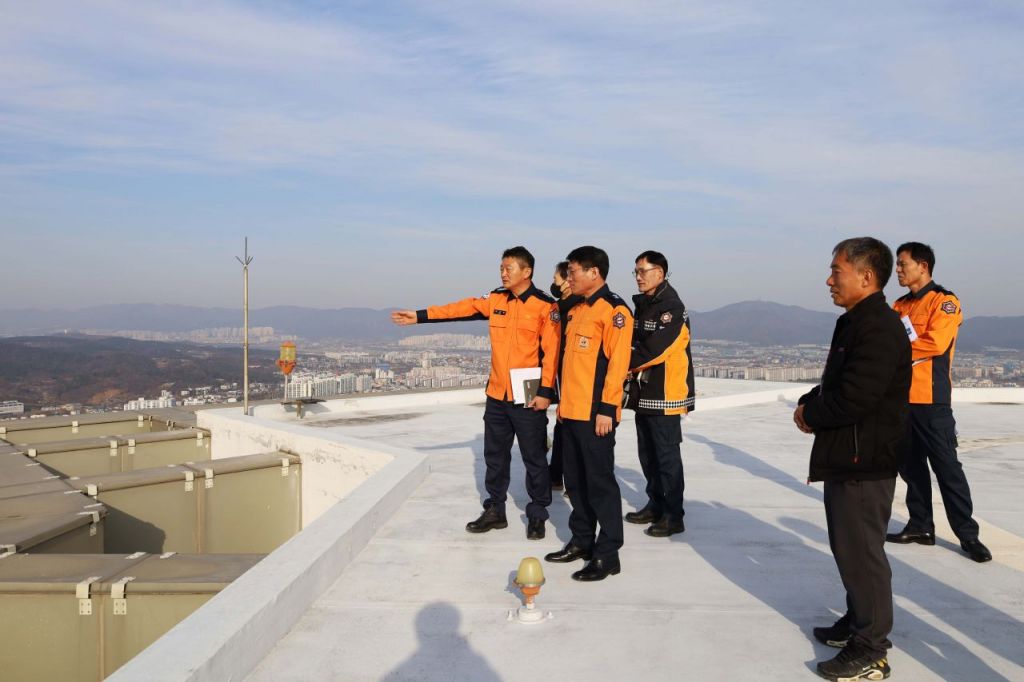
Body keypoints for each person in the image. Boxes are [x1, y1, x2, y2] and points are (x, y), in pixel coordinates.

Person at [793, 237, 910, 682]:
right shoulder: (856, 322)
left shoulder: (879, 326)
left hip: (866, 460)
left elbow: (857, 396)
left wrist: (811, 415)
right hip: (849, 455)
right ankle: (857, 619)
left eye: (836, 271)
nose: (829, 280)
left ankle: (872, 648)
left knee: (862, 555)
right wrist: (811, 400)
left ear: (866, 276)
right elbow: (839, 382)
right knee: (849, 549)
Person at [391, 246, 560, 540]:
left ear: (527, 271)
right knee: (495, 456)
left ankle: (537, 514)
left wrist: (545, 392)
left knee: (534, 457)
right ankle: (495, 510)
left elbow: (552, 353)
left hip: (528, 395)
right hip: (497, 394)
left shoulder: (546, 306)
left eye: (508, 268)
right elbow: (461, 308)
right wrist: (419, 316)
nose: (503, 273)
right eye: (501, 268)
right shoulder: (496, 299)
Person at [886, 242, 992, 563]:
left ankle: (968, 535)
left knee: (947, 468)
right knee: (911, 467)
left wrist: (894, 348)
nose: (898, 270)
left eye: (903, 264)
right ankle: (921, 526)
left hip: (932, 401)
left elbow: (936, 342)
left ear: (923, 266)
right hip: (901, 400)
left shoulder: (944, 302)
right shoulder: (900, 305)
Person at [544, 246, 633, 582]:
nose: (568, 278)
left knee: (599, 485)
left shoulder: (614, 310)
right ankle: (581, 540)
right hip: (571, 412)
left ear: (594, 272)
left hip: (596, 415)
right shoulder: (577, 308)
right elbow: (570, 364)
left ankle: (608, 554)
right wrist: (562, 407)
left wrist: (608, 410)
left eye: (573, 272)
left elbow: (618, 366)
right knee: (576, 483)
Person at [623, 250, 694, 537]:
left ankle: (673, 515)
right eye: (636, 272)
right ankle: (655, 504)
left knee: (666, 456)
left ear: (660, 273)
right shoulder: (644, 304)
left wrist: (622, 363)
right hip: (645, 392)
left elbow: (656, 348)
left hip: (666, 393)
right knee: (648, 454)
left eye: (643, 271)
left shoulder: (672, 307)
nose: (638, 277)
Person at [547, 260, 583, 490]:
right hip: (561, 375)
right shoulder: (560, 306)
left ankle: (569, 479)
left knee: (568, 429)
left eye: (556, 279)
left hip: (571, 376)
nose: (553, 283)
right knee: (562, 428)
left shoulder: (575, 307)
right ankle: (557, 474)